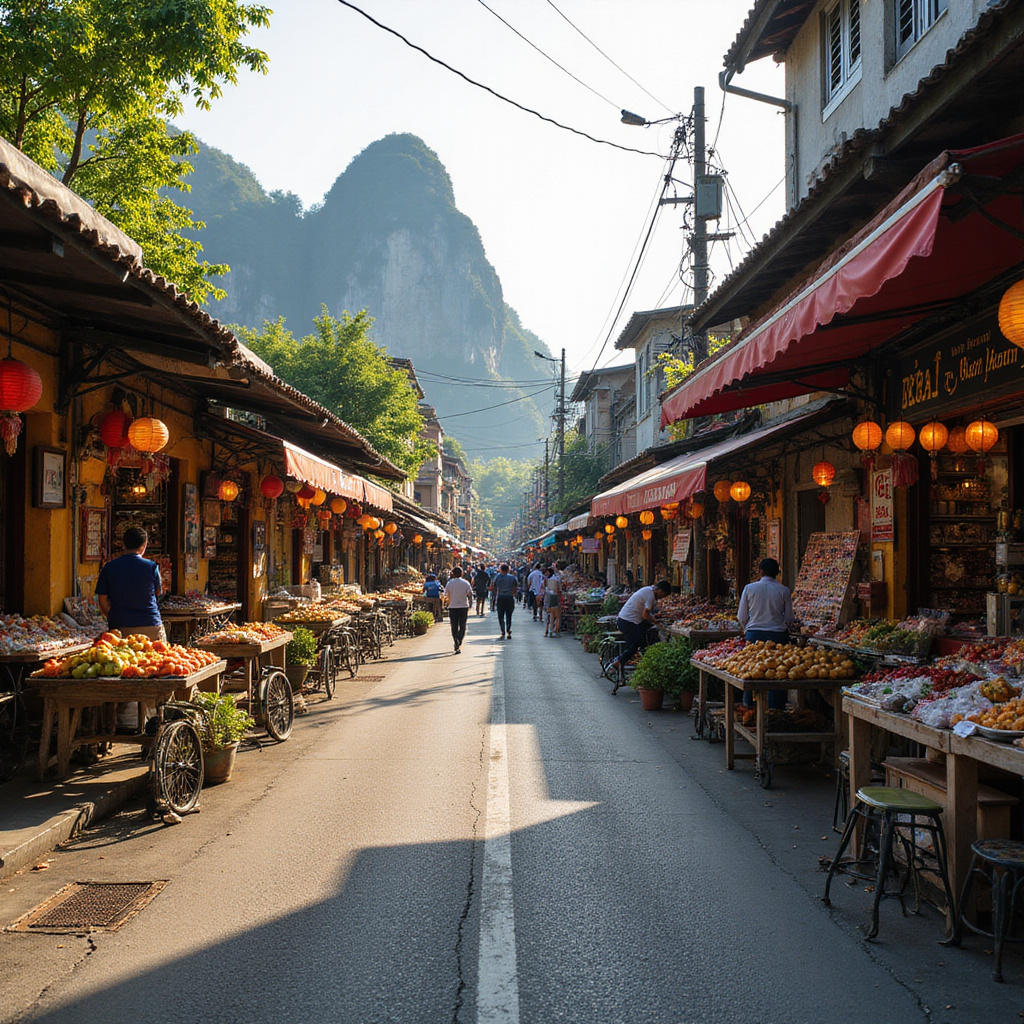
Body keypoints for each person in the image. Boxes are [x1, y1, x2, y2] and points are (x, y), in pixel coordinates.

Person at [737, 557, 795, 710]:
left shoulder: (749, 588)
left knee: (752, 671)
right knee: (778, 672)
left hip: (754, 635)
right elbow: (789, 618)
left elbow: (741, 616)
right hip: (778, 636)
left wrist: (747, 628)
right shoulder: (783, 590)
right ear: (777, 573)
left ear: (760, 571)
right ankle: (776, 708)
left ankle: (749, 708)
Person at [96, 526, 165, 640]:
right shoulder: (151, 567)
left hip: (120, 626)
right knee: (157, 651)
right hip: (150, 623)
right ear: (144, 545)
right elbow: (158, 592)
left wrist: (114, 615)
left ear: (124, 544)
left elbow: (102, 599)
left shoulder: (109, 567)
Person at [607, 578, 672, 674]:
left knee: (643, 638)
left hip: (627, 620)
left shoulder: (648, 590)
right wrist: (655, 621)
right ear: (659, 590)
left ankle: (628, 657)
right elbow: (645, 615)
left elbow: (645, 612)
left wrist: (653, 617)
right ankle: (618, 662)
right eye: (664, 594)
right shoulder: (650, 595)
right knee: (637, 643)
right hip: (627, 622)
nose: (662, 597)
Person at [444, 565, 475, 654]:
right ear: (461, 573)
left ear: (453, 574)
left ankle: (455, 640)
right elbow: (470, 594)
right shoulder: (465, 583)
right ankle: (459, 640)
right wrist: (470, 603)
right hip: (463, 607)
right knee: (462, 625)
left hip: (453, 607)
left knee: (454, 625)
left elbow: (446, 594)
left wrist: (447, 603)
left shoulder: (450, 583)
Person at [490, 563, 519, 639]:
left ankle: (503, 631)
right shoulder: (513, 578)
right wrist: (513, 594)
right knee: (509, 615)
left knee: (501, 615)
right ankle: (508, 630)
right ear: (508, 569)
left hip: (501, 597)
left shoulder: (497, 577)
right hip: (509, 597)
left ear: (501, 569)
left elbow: (493, 586)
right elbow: (515, 587)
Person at [543, 562, 564, 637]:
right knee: (556, 616)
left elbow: (545, 588)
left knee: (549, 615)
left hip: (548, 599)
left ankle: (548, 631)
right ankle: (555, 631)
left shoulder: (547, 579)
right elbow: (559, 589)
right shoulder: (556, 578)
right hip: (554, 598)